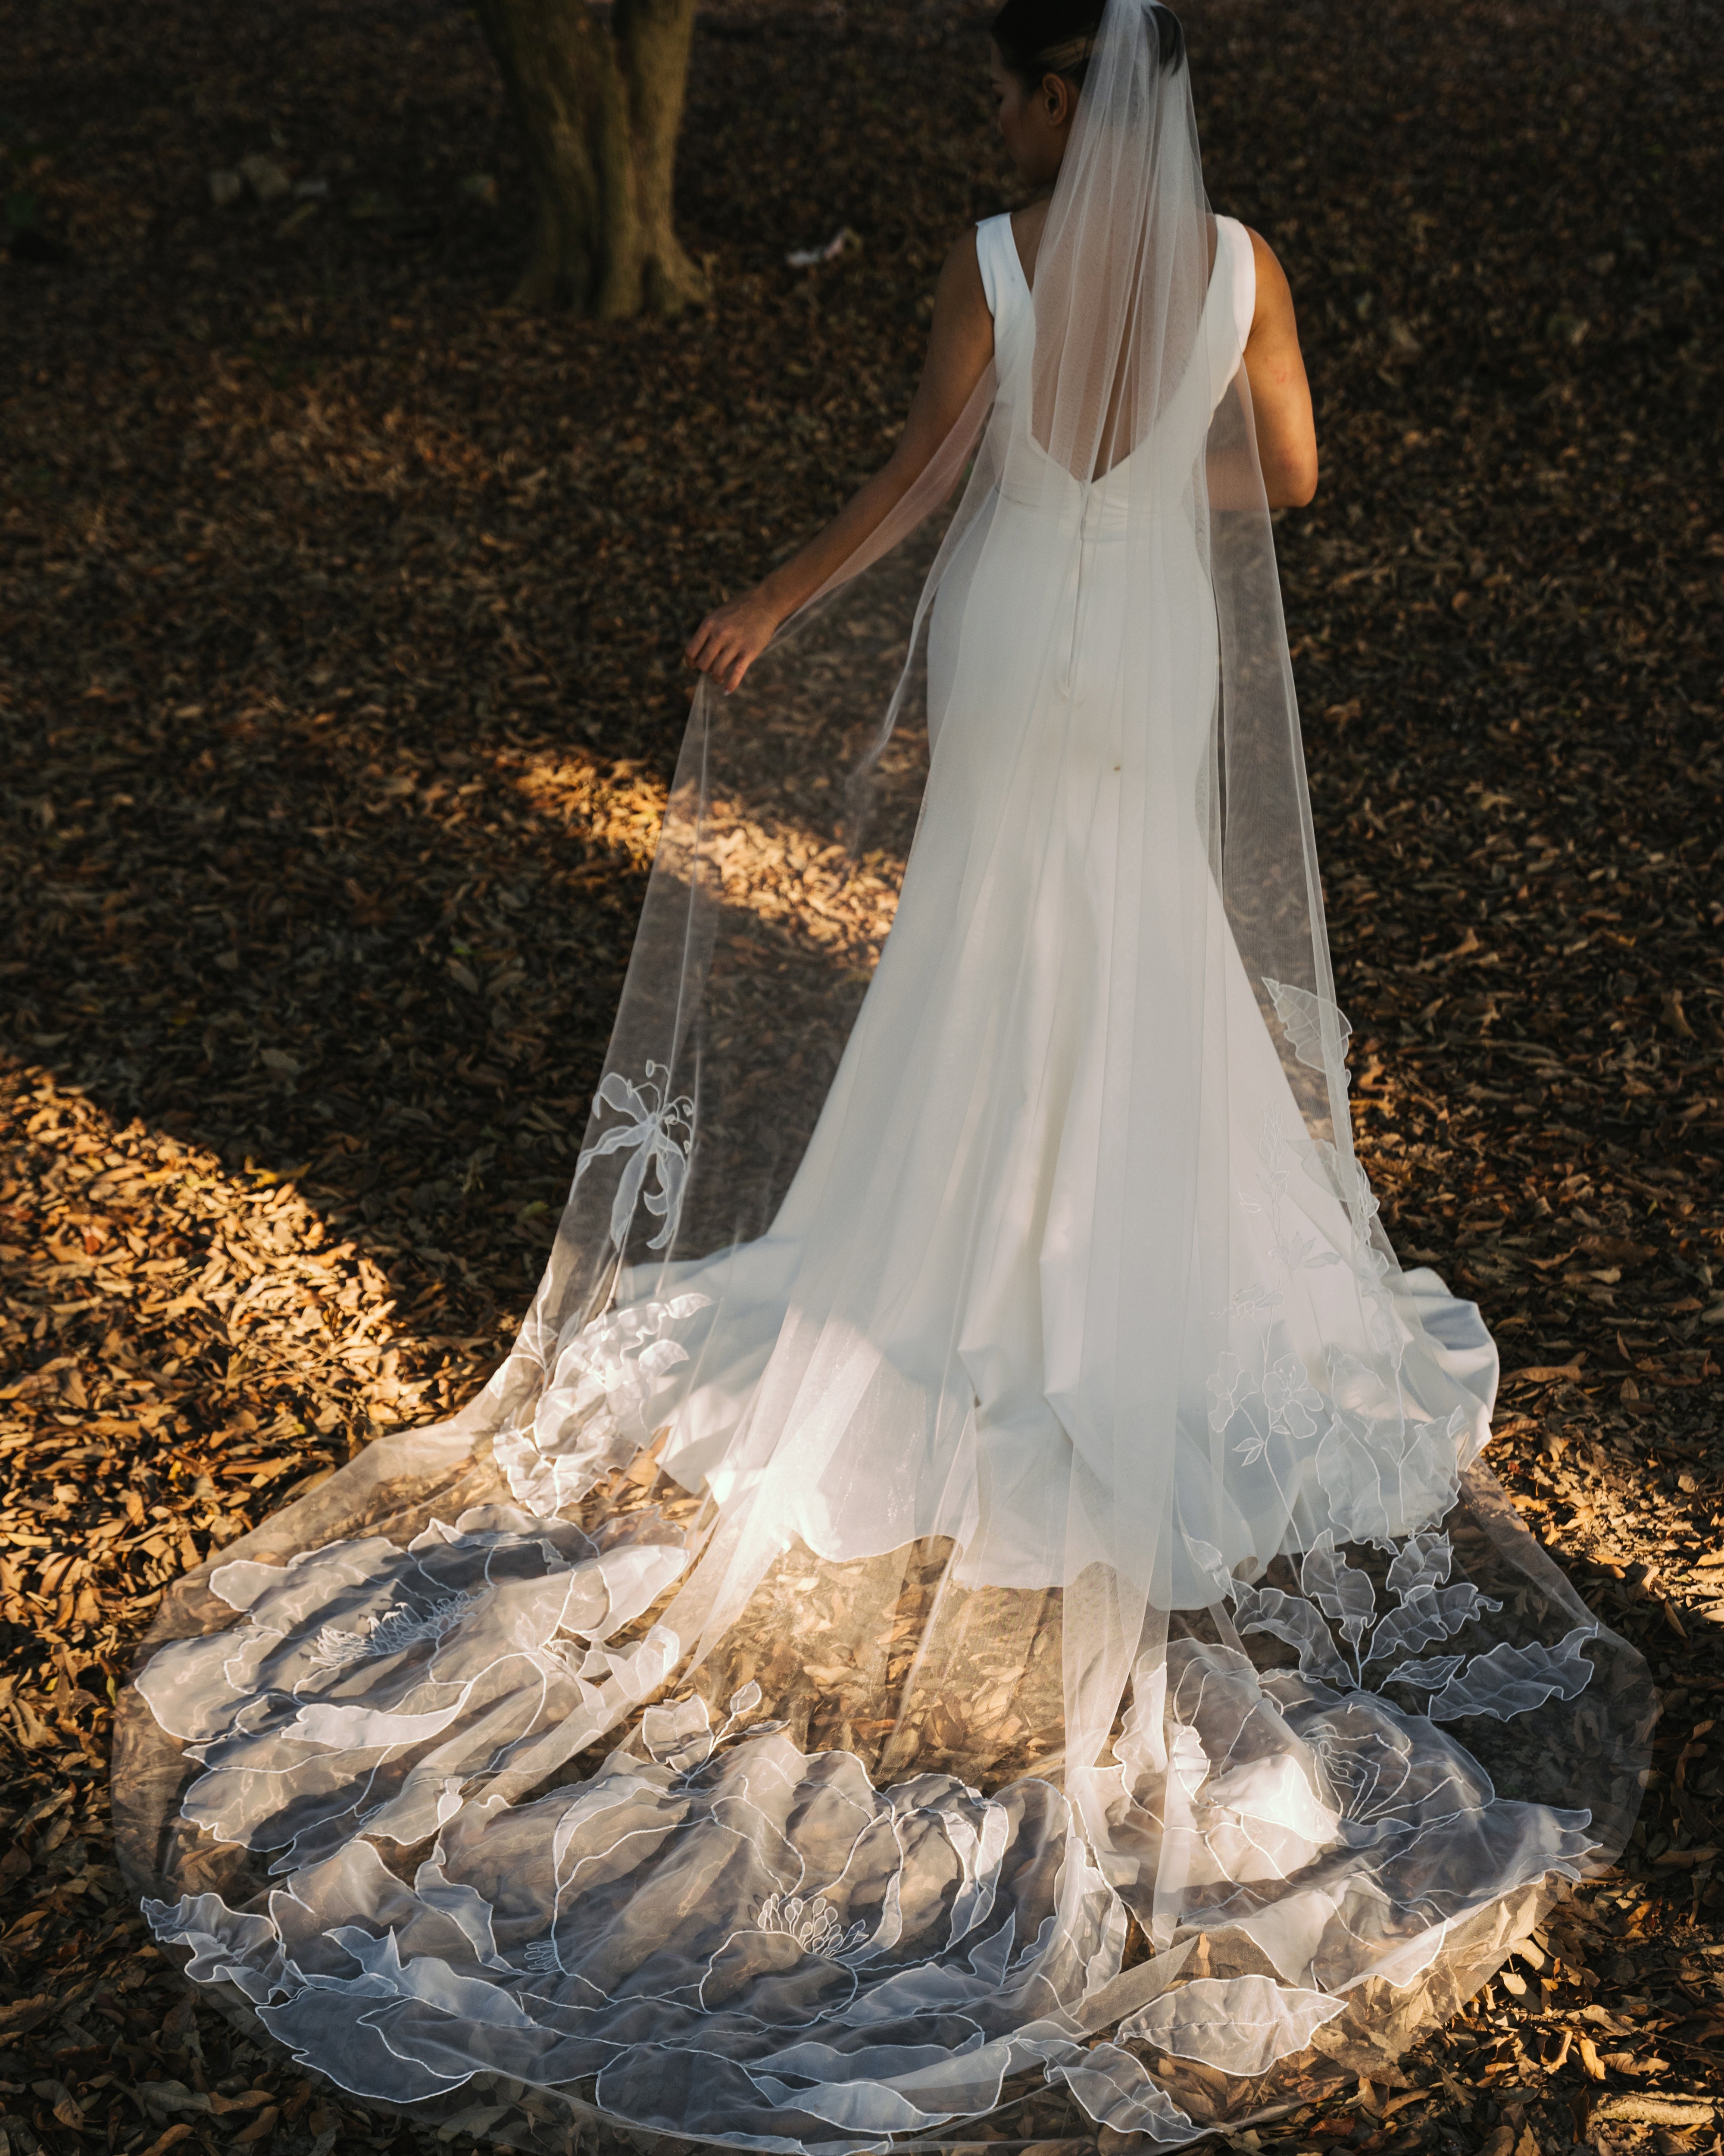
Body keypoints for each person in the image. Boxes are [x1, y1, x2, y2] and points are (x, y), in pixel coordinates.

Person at [116, 2, 1651, 2147]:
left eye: (1012, 87)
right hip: (1154, 638)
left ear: (1051, 96)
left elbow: (929, 478)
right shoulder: (1244, 267)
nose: (1006, 120)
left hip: (1021, 623)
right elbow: (1286, 476)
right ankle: (1133, 1224)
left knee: (989, 923)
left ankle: (953, 1225)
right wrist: (1150, 489)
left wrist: (788, 590)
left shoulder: (994, 263)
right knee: (1142, 926)